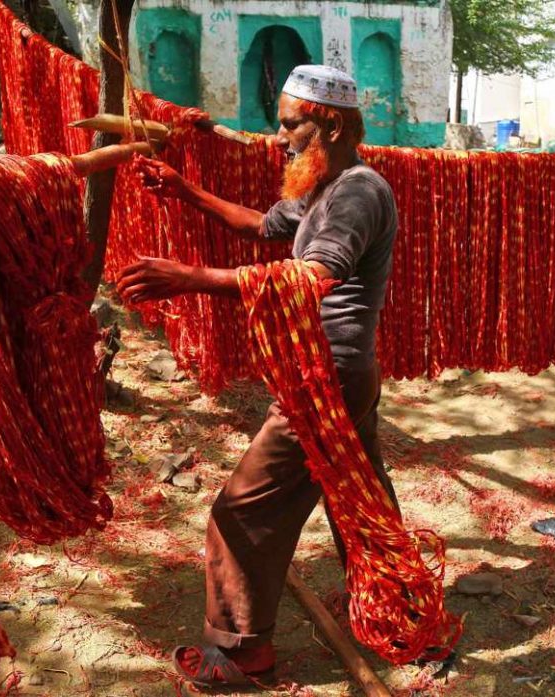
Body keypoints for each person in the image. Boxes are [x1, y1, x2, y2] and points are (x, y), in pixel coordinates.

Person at [116, 65, 401, 687]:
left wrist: (192, 279)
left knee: (242, 511)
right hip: (339, 370)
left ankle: (241, 653)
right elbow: (264, 226)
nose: (278, 138)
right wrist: (184, 190)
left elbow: (309, 278)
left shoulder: (356, 192)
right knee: (360, 495)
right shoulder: (322, 184)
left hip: (326, 374)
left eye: (288, 125)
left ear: (327, 123)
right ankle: (394, 606)